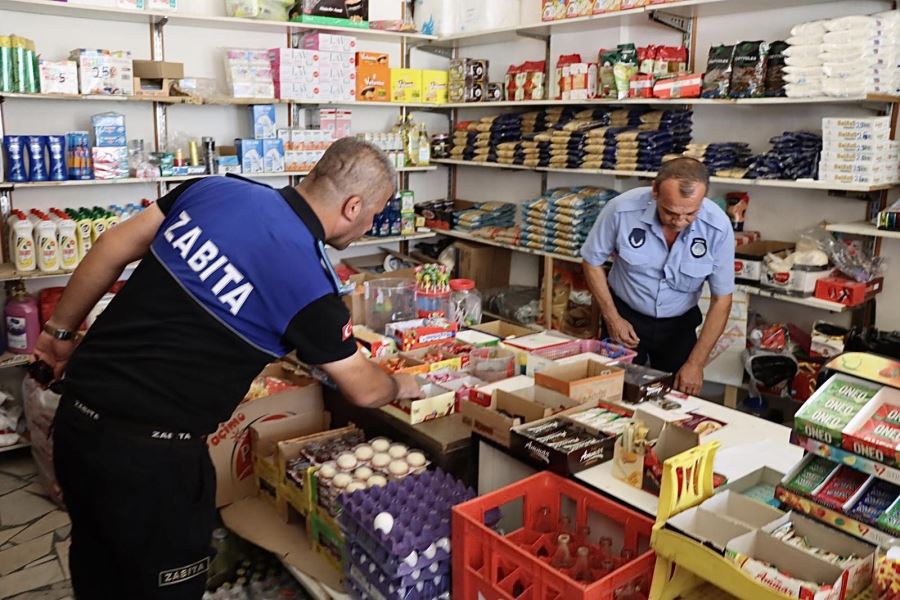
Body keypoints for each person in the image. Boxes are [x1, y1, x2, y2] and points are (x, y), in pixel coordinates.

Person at [34, 138, 422, 599]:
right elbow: (361, 389)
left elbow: (114, 244)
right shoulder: (312, 286)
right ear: (353, 205)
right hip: (153, 464)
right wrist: (402, 382)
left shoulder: (217, 189)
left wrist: (58, 333)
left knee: (98, 564)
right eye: (375, 213)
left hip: (78, 425)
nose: (371, 223)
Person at [580, 157, 735, 397]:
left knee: (677, 401)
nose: (679, 221)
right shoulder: (621, 209)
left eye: (690, 214)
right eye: (670, 212)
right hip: (626, 318)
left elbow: (722, 300)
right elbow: (592, 260)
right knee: (613, 393)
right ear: (655, 191)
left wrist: (696, 363)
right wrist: (612, 318)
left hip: (679, 327)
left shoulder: (718, 227)